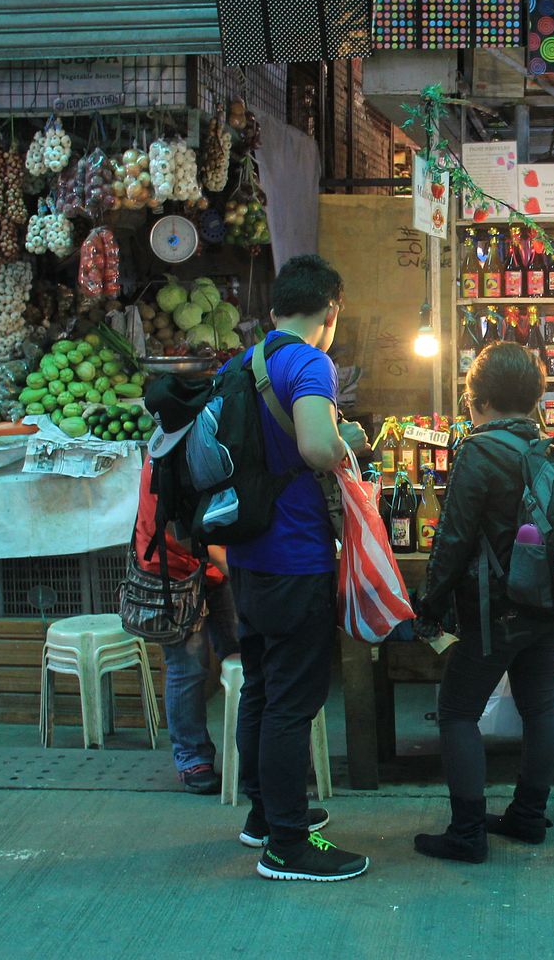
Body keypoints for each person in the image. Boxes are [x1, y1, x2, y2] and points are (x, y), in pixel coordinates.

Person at [412, 342, 554, 864]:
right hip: (550, 604)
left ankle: (467, 832)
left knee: (456, 712)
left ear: (476, 400)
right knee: (538, 704)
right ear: (536, 397)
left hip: (495, 608)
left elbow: (453, 538)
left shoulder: (479, 450)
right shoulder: (551, 449)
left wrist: (428, 604)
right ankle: (526, 816)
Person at [227, 254, 370, 882]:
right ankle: (287, 846)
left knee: (261, 689)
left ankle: (265, 815)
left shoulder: (245, 361)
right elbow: (315, 446)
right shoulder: (309, 361)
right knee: (292, 701)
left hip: (248, 554)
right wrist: (351, 442)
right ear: (330, 310)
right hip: (293, 556)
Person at [130, 456, 239, 795]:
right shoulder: (167, 458)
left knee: (242, 653)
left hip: (215, 568)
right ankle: (192, 758)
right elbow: (188, 533)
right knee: (186, 667)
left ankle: (250, 751)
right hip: (172, 572)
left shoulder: (209, 445)